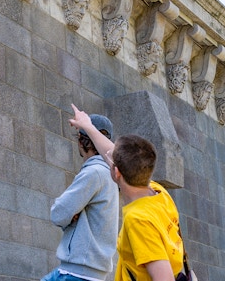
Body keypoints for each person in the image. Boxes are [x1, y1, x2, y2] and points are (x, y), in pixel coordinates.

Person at [69, 104, 184, 281]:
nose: (109, 158)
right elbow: (112, 153)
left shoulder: (138, 219)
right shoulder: (159, 193)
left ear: (116, 173)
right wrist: (87, 126)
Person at [41, 113, 120, 281]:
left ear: (82, 140)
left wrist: (70, 217)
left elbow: (58, 212)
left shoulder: (94, 173)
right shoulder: (109, 175)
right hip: (88, 272)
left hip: (78, 273)